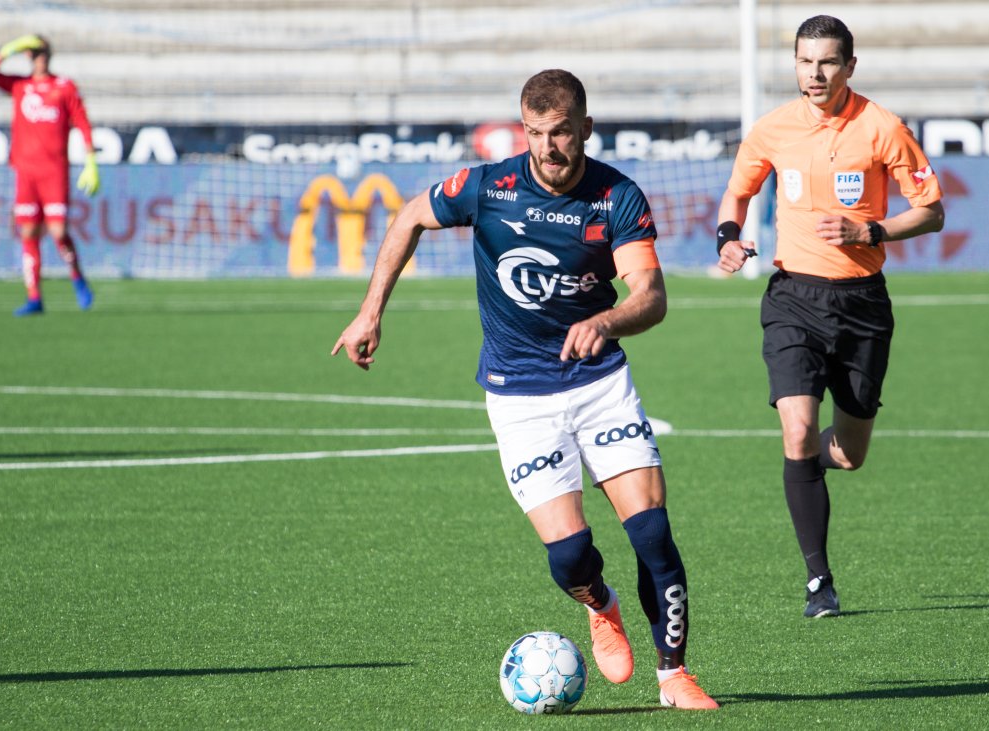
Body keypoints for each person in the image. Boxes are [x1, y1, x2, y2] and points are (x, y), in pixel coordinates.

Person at [334, 69, 718, 710]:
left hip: (600, 384)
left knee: (652, 536)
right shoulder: (487, 186)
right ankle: (602, 605)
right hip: (519, 397)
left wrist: (606, 319)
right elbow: (407, 219)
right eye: (536, 133)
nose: (548, 146)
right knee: (570, 556)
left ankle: (674, 675)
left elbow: (650, 298)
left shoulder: (617, 197)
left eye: (561, 132)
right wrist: (371, 311)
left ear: (585, 129)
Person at [715, 16, 944, 618]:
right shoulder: (772, 129)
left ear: (850, 66)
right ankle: (820, 582)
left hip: (863, 304)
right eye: (804, 62)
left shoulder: (882, 127)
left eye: (827, 63)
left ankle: (803, 471)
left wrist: (869, 228)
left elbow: (931, 211)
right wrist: (729, 238)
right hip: (792, 297)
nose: (814, 74)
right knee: (796, 431)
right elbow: (737, 194)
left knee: (847, 453)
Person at [0, 34, 99, 316]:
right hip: (26, 171)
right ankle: (34, 297)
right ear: (28, 57)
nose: (40, 57)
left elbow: (82, 122)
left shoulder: (64, 87)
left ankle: (77, 278)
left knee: (58, 232)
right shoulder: (20, 87)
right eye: (34, 53)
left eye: (43, 52)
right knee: (29, 232)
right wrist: (9, 48)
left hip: (54, 171)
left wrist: (90, 160)